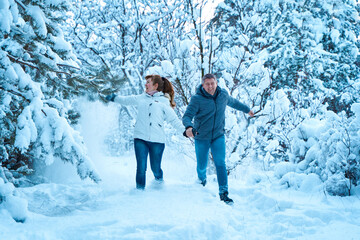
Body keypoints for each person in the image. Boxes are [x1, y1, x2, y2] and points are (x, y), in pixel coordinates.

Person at [182, 73, 254, 204]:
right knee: (202, 165)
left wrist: (247, 110)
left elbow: (234, 103)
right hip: (201, 137)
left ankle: (224, 193)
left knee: (220, 163)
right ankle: (202, 181)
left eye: (212, 83)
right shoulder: (197, 99)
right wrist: (188, 127)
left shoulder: (223, 95)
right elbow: (187, 116)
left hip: (218, 136)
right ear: (203, 85)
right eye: (207, 84)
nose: (210, 86)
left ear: (216, 83)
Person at [106, 75, 184, 190]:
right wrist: (113, 97)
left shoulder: (163, 101)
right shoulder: (141, 98)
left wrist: (185, 131)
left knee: (155, 168)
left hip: (157, 141)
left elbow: (173, 120)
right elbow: (126, 100)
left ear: (155, 85)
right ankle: (139, 192)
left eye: (148, 82)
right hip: (140, 138)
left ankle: (159, 184)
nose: (145, 84)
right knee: (141, 168)